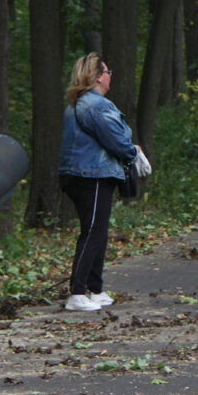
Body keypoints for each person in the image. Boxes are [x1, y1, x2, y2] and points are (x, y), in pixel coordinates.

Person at [58, 53, 140, 312]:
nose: (110, 75)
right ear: (97, 76)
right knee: (93, 231)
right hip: (91, 175)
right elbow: (116, 139)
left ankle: (95, 289)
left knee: (97, 230)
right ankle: (78, 292)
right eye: (107, 71)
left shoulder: (76, 104)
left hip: (80, 173)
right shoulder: (96, 105)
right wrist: (133, 151)